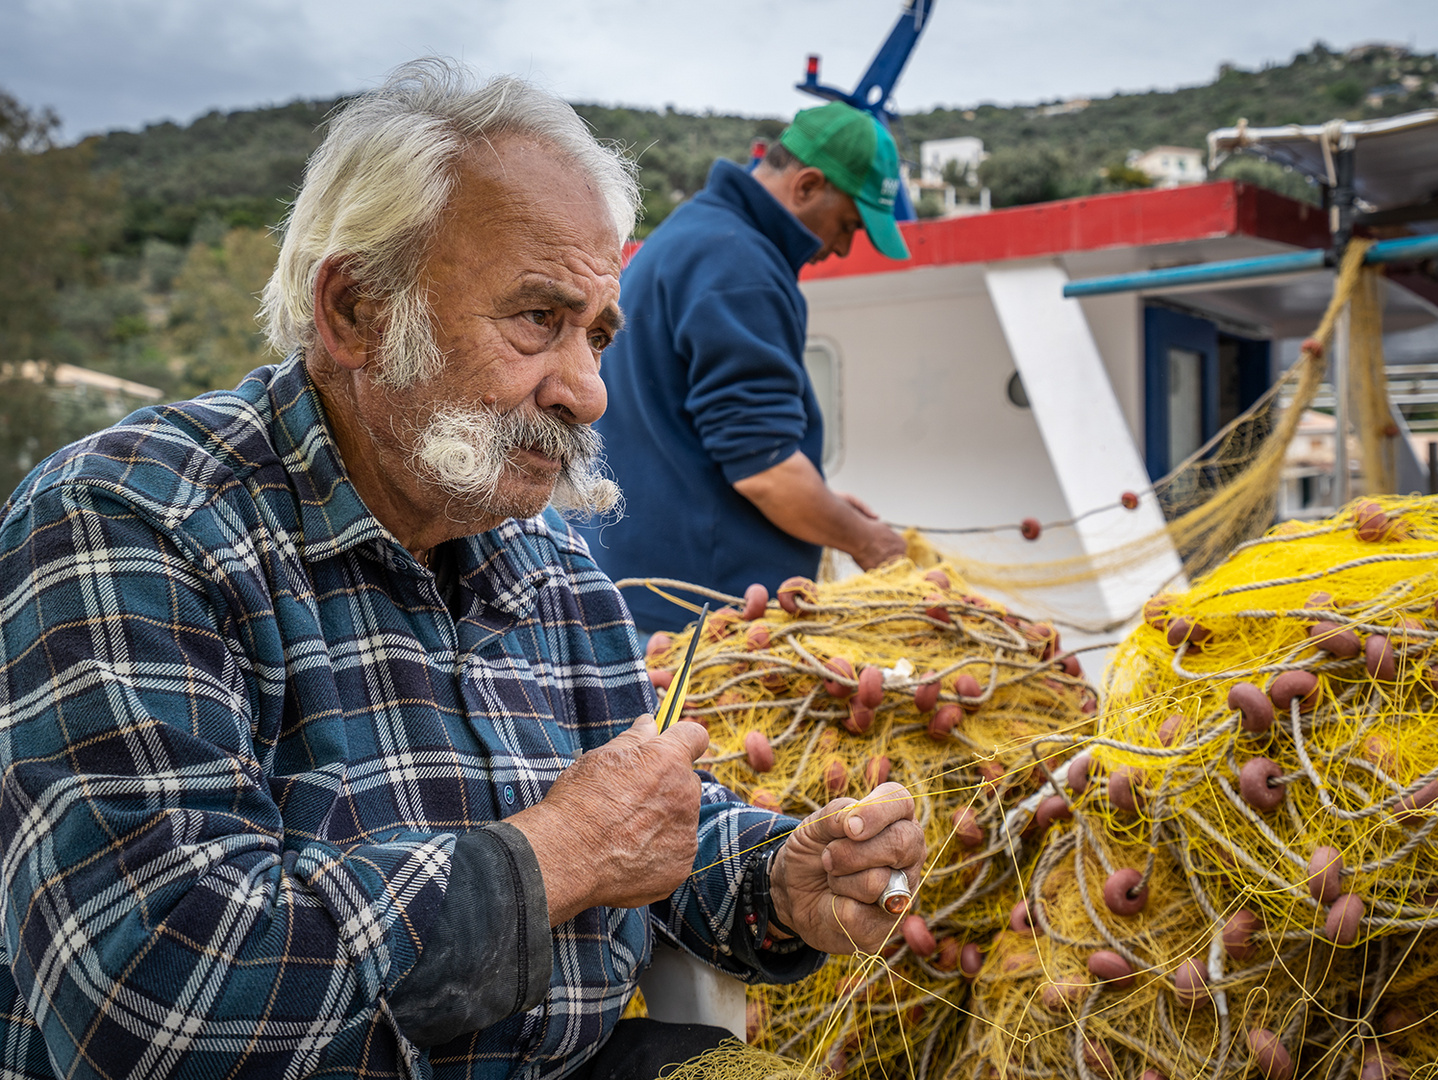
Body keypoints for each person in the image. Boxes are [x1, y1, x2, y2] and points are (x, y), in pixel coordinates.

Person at [0, 61, 924, 1080]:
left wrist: (774, 880)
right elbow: (152, 999)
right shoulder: (130, 522)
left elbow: (642, 824)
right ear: (355, 310)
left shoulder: (552, 557)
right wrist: (553, 857)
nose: (587, 394)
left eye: (598, 335)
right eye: (538, 318)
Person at [587, 102, 910, 635]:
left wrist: (824, 506)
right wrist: (869, 541)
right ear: (806, 187)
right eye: (850, 224)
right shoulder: (741, 267)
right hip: (700, 625)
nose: (844, 246)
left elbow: (718, 444)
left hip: (643, 598)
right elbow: (767, 472)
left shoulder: (692, 234)